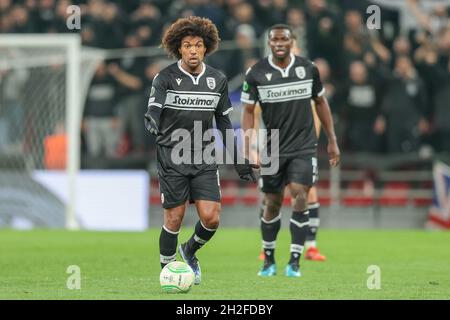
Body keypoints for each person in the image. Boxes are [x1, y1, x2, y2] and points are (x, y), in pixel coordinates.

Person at [144, 16, 257, 285]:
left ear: (206, 48)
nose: (193, 50)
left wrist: (238, 160)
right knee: (175, 217)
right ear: (178, 49)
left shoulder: (217, 79)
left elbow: (224, 123)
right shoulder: (166, 77)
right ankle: (167, 272)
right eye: (187, 45)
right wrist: (151, 117)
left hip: (204, 155)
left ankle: (190, 251)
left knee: (211, 218)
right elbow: (155, 107)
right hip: (172, 154)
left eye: (197, 45)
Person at [241, 24, 340, 277]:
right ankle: (269, 260)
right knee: (272, 203)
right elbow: (249, 111)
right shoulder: (256, 73)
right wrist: (248, 146)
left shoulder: (308, 69)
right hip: (273, 148)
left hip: (303, 147)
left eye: (284, 39)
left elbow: (321, 103)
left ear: (292, 41)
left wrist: (331, 139)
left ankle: (295, 261)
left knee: (300, 194)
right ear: (269, 43)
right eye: (274, 40)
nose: (279, 43)